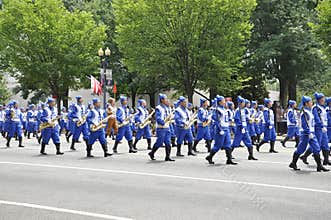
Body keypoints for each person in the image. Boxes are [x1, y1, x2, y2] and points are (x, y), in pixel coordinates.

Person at [289, 96, 329, 172]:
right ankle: (293, 163)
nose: (312, 103)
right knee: (301, 149)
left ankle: (319, 166)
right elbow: (305, 124)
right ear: (306, 103)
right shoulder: (304, 112)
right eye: (310, 102)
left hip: (311, 133)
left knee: (316, 148)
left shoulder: (309, 111)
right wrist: (308, 132)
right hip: (306, 133)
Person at [299, 93, 331, 166]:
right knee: (317, 145)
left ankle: (326, 160)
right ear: (319, 99)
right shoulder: (316, 108)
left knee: (325, 144)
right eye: (322, 98)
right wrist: (321, 126)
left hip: (323, 128)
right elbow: (317, 118)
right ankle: (304, 156)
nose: (324, 100)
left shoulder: (322, 107)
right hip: (318, 128)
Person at [205, 95, 237, 165]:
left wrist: (230, 121)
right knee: (218, 145)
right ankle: (210, 156)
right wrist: (220, 129)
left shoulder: (225, 109)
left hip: (226, 128)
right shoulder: (217, 110)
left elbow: (226, 119)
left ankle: (229, 159)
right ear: (219, 102)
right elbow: (216, 120)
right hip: (221, 129)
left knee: (228, 144)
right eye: (223, 101)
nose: (225, 102)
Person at [148, 94, 175, 161]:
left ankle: (167, 157)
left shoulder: (167, 107)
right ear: (162, 100)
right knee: (159, 142)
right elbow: (158, 118)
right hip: (161, 128)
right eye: (165, 99)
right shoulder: (158, 108)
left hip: (167, 127)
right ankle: (152, 153)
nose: (167, 100)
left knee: (168, 142)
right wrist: (163, 122)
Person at [231, 96, 258, 160]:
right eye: (243, 102)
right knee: (235, 143)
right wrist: (241, 126)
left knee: (249, 142)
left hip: (245, 129)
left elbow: (246, 118)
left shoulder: (244, 110)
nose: (244, 103)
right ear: (240, 103)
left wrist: (250, 120)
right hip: (240, 129)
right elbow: (236, 120)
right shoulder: (237, 111)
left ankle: (250, 155)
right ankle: (229, 155)